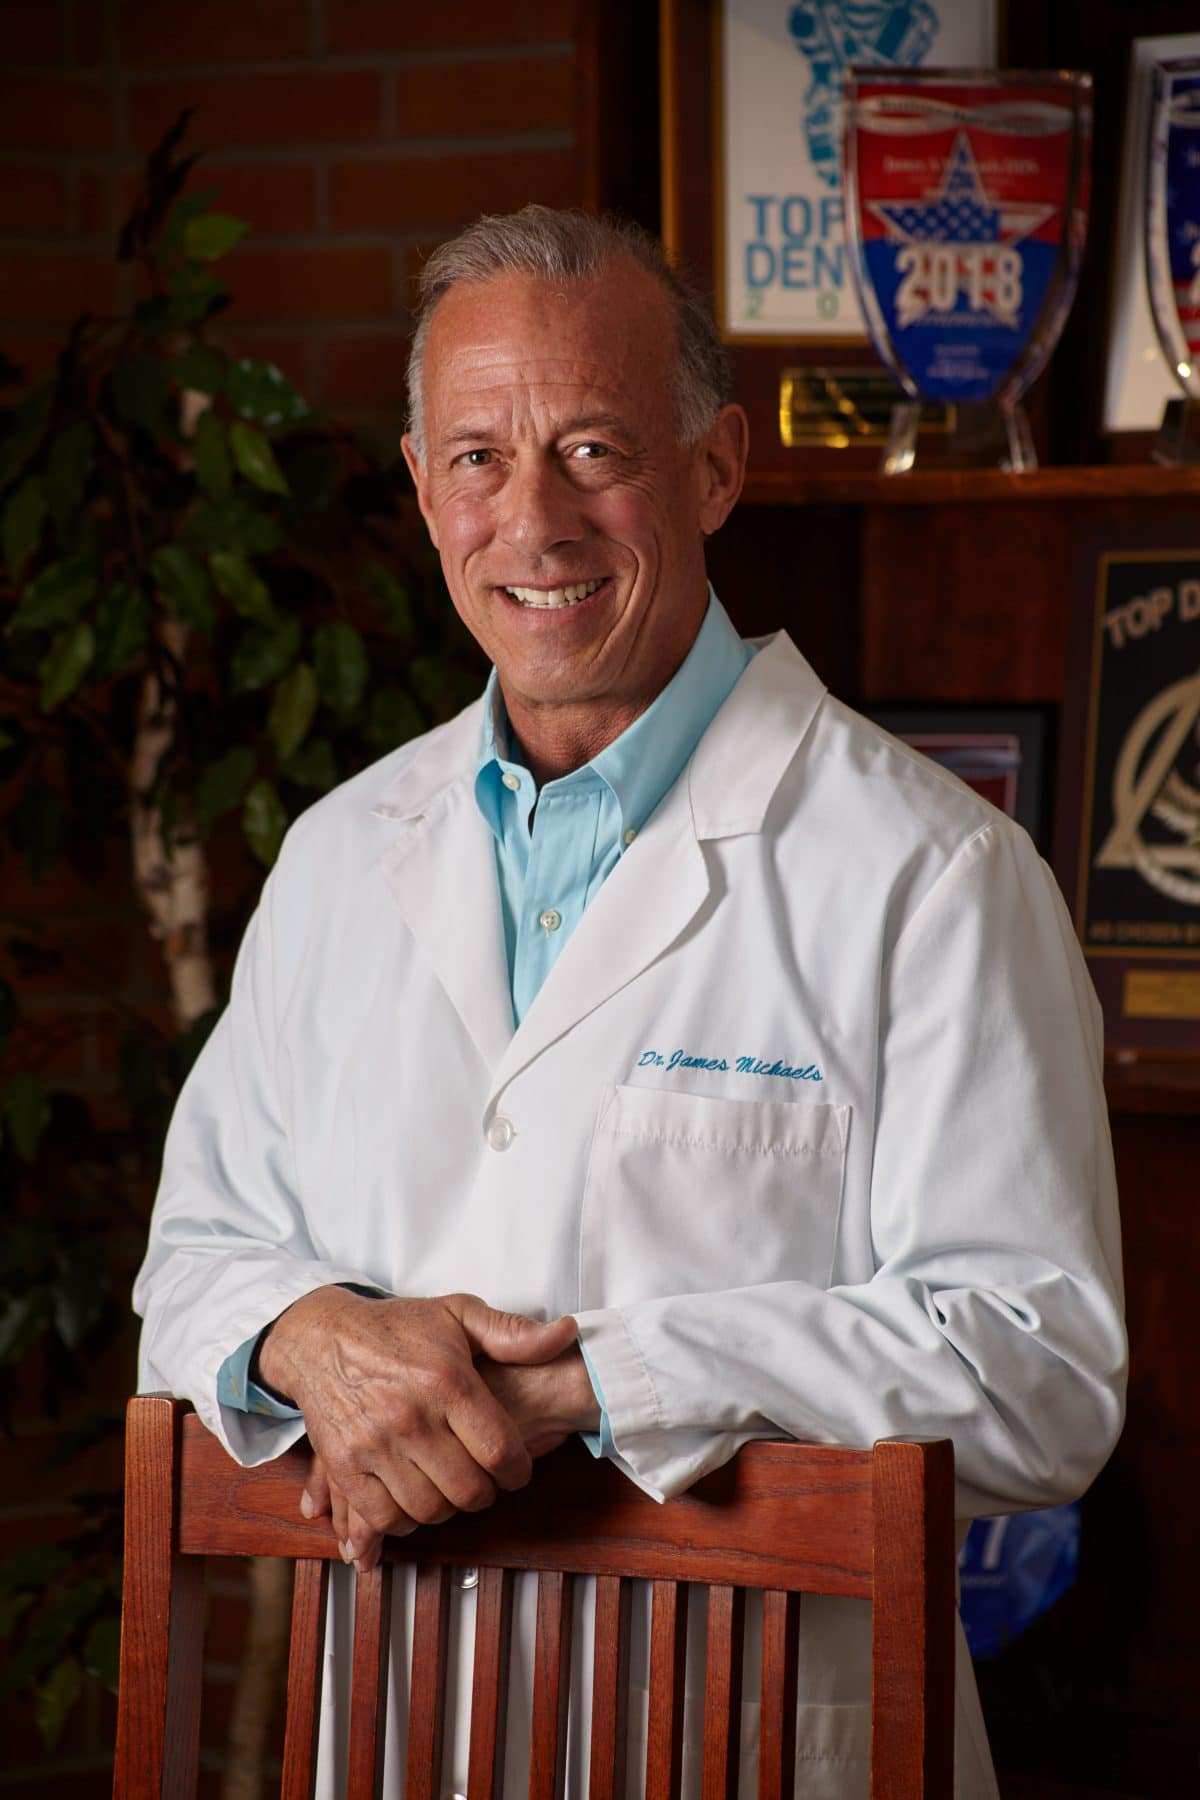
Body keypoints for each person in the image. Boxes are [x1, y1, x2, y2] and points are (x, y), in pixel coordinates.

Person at [134, 205, 1126, 1797]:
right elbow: (190, 1258)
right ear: (418, 485)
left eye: (593, 448)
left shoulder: (936, 875)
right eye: (475, 458)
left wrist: (599, 1380)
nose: (532, 520)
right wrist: (308, 1336)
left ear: (717, 467)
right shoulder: (336, 858)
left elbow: (1040, 1375)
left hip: (776, 1754)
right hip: (406, 1735)